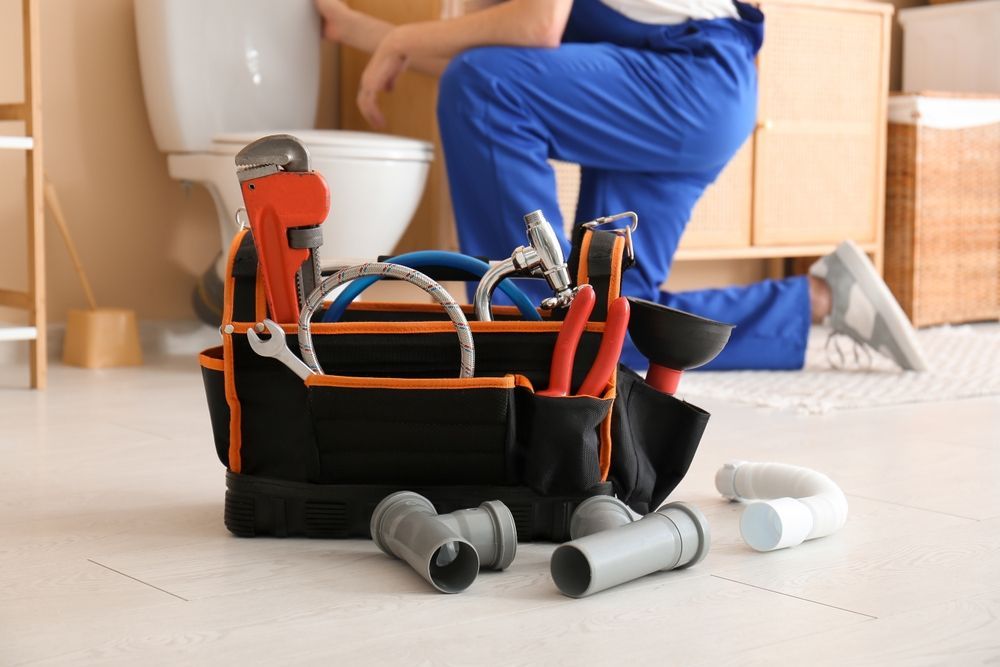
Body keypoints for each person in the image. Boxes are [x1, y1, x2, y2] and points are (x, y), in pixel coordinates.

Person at [316, 0, 928, 372]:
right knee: (610, 324)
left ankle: (525, 315)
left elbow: (532, 32)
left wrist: (397, 39)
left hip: (683, 81)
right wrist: (361, 32)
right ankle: (823, 299)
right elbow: (490, 65)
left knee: (485, 87)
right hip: (691, 94)